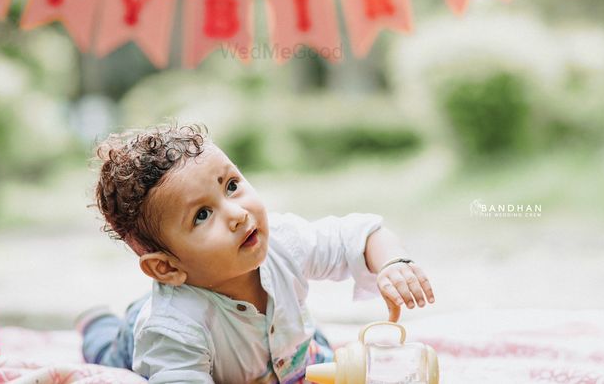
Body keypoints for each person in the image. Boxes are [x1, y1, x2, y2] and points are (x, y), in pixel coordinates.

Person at [79, 123, 435, 383]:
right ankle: (96, 321)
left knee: (315, 346)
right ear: (166, 268)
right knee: (106, 352)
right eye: (202, 215)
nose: (236, 215)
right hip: (142, 334)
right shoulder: (171, 331)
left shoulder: (282, 241)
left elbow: (359, 235)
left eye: (231, 186)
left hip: (282, 350)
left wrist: (392, 262)